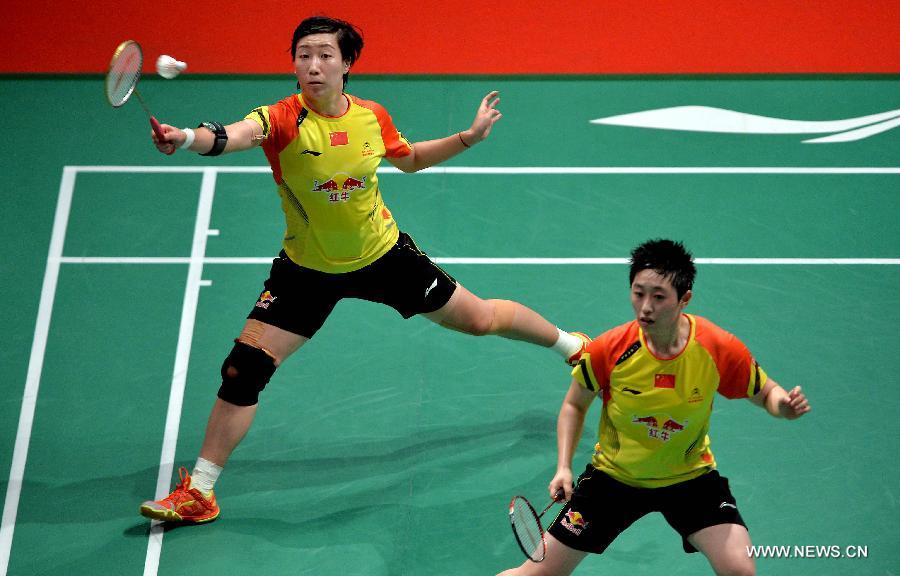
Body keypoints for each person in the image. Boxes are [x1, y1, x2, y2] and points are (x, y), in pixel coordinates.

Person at [139, 15, 589, 524]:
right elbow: (229, 136)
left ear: (347, 63)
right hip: (305, 271)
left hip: (383, 257)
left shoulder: (370, 116)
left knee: (481, 319)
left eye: (325, 55)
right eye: (303, 54)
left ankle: (572, 346)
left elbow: (410, 157)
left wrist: (469, 137)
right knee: (243, 371)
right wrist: (185, 137)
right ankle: (201, 491)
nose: (313, 65)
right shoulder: (280, 119)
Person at [498, 239, 811, 576]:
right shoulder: (609, 349)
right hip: (614, 480)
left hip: (690, 479)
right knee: (532, 575)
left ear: (684, 298)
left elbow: (766, 393)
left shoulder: (716, 347)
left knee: (740, 570)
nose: (645, 307)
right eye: (638, 293)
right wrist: (563, 467)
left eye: (659, 297)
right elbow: (574, 405)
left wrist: (784, 407)